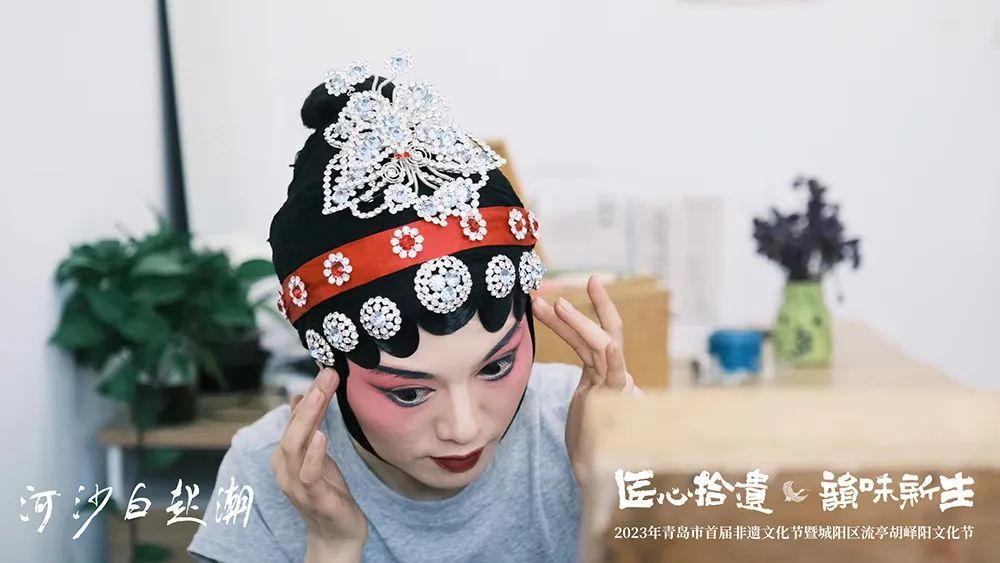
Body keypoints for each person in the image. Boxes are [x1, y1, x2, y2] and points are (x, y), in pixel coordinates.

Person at [187, 51, 637, 563]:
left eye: (496, 366)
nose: (464, 429)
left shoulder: (593, 418)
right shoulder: (261, 471)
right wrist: (333, 546)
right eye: (408, 393)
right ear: (327, 365)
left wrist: (608, 490)